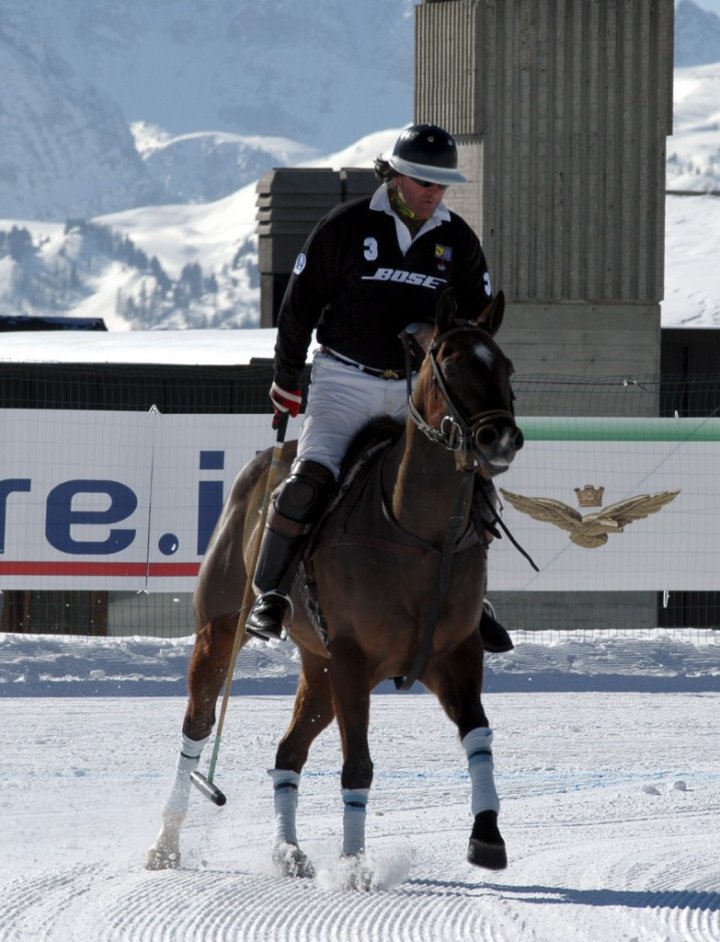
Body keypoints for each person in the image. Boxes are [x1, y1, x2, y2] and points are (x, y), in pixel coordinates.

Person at [245, 122, 513, 654]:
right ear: (394, 175)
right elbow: (298, 307)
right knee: (309, 481)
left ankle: (471, 600)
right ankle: (270, 596)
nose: (434, 192)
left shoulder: (456, 239)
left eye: (441, 184)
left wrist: (437, 334)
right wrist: (286, 377)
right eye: (423, 181)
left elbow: (476, 321)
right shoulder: (344, 226)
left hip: (419, 389)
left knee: (470, 487)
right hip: (345, 379)